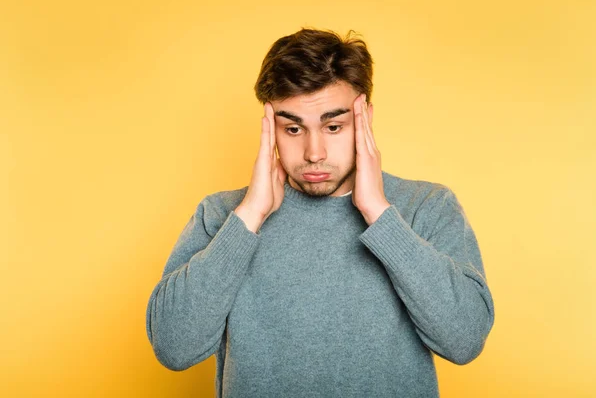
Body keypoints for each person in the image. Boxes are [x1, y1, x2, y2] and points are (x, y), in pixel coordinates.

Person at [145, 27, 495, 397]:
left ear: (366, 117)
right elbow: (173, 347)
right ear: (269, 127)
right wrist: (249, 216)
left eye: (333, 126)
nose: (314, 152)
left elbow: (465, 340)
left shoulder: (426, 207)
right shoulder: (223, 215)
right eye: (293, 128)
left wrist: (378, 212)